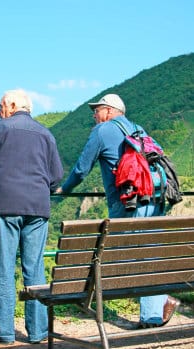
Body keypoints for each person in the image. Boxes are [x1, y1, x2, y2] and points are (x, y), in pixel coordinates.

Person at [56, 93, 179, 328]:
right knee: (148, 252)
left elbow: (82, 169)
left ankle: (152, 316)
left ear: (110, 111)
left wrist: (64, 189)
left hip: (128, 203)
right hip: (153, 199)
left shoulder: (102, 132)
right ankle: (160, 302)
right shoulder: (138, 129)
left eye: (98, 110)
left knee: (128, 255)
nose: (94, 114)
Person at [0, 89, 63, 344]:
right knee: (35, 270)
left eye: (0, 106)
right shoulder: (46, 134)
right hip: (38, 209)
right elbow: (56, 177)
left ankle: (3, 332)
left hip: (5, 207)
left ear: (12, 105)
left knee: (4, 270)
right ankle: (38, 332)